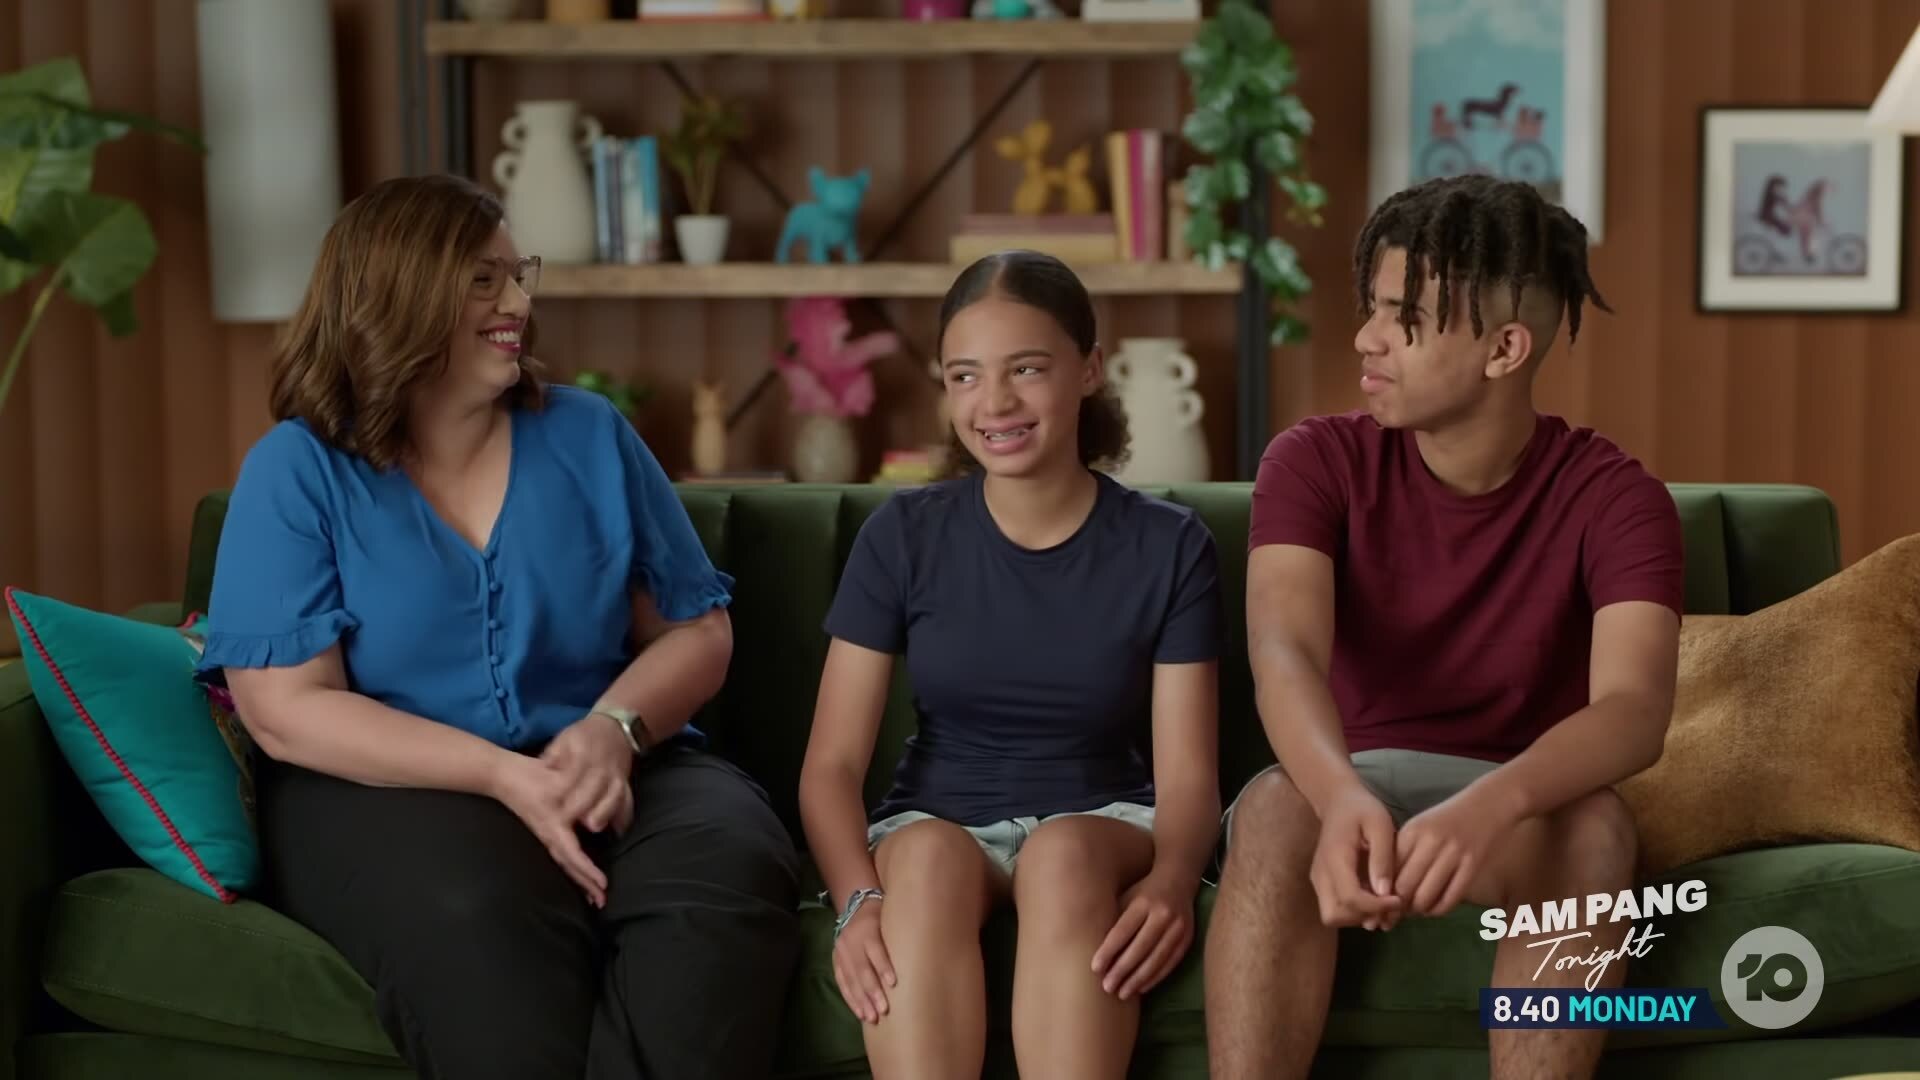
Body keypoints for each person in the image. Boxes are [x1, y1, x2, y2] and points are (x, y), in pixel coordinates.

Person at [194, 174, 802, 1080]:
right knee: (476, 912)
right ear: (398, 293)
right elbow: (286, 711)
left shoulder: (590, 435)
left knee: (728, 870)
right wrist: (501, 775)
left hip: (619, 759)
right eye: (484, 280)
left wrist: (615, 729)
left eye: (519, 275)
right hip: (388, 791)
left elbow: (695, 631)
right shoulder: (297, 469)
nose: (518, 302)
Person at [1203, 174, 1685, 1080]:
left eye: (1405, 318)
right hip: (1345, 781)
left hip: (1521, 805)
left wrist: (1495, 804)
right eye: (1373, 308)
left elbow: (1634, 712)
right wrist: (1339, 796)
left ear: (1504, 349)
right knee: (1272, 807)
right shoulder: (1312, 461)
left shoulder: (1620, 499)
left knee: (1595, 829)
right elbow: (1284, 649)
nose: (1366, 337)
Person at [797, 250, 1224, 1079]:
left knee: (1061, 857)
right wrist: (857, 901)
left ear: (1089, 369)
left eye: (1026, 369)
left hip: (1102, 822)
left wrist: (1174, 881)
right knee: (925, 863)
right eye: (965, 376)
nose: (993, 403)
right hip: (934, 822)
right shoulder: (903, 536)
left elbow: (1187, 778)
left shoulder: (1170, 547)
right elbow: (831, 768)